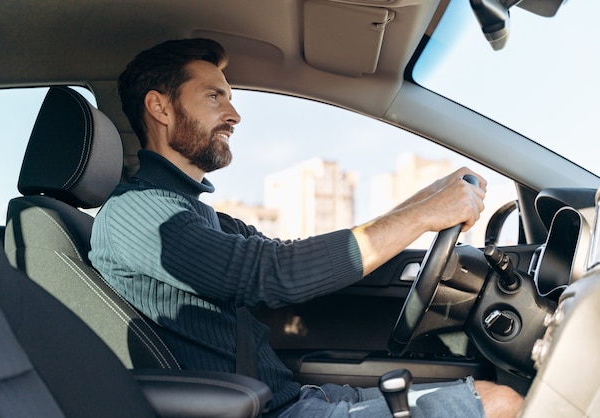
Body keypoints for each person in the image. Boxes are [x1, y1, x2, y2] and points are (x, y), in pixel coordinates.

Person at [89, 38, 523, 417]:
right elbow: (273, 273)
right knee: (502, 405)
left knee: (492, 397)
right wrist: (424, 216)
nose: (234, 114)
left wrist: (426, 200)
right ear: (160, 107)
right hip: (270, 411)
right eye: (215, 97)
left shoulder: (195, 213)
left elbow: (290, 255)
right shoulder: (136, 214)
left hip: (289, 398)